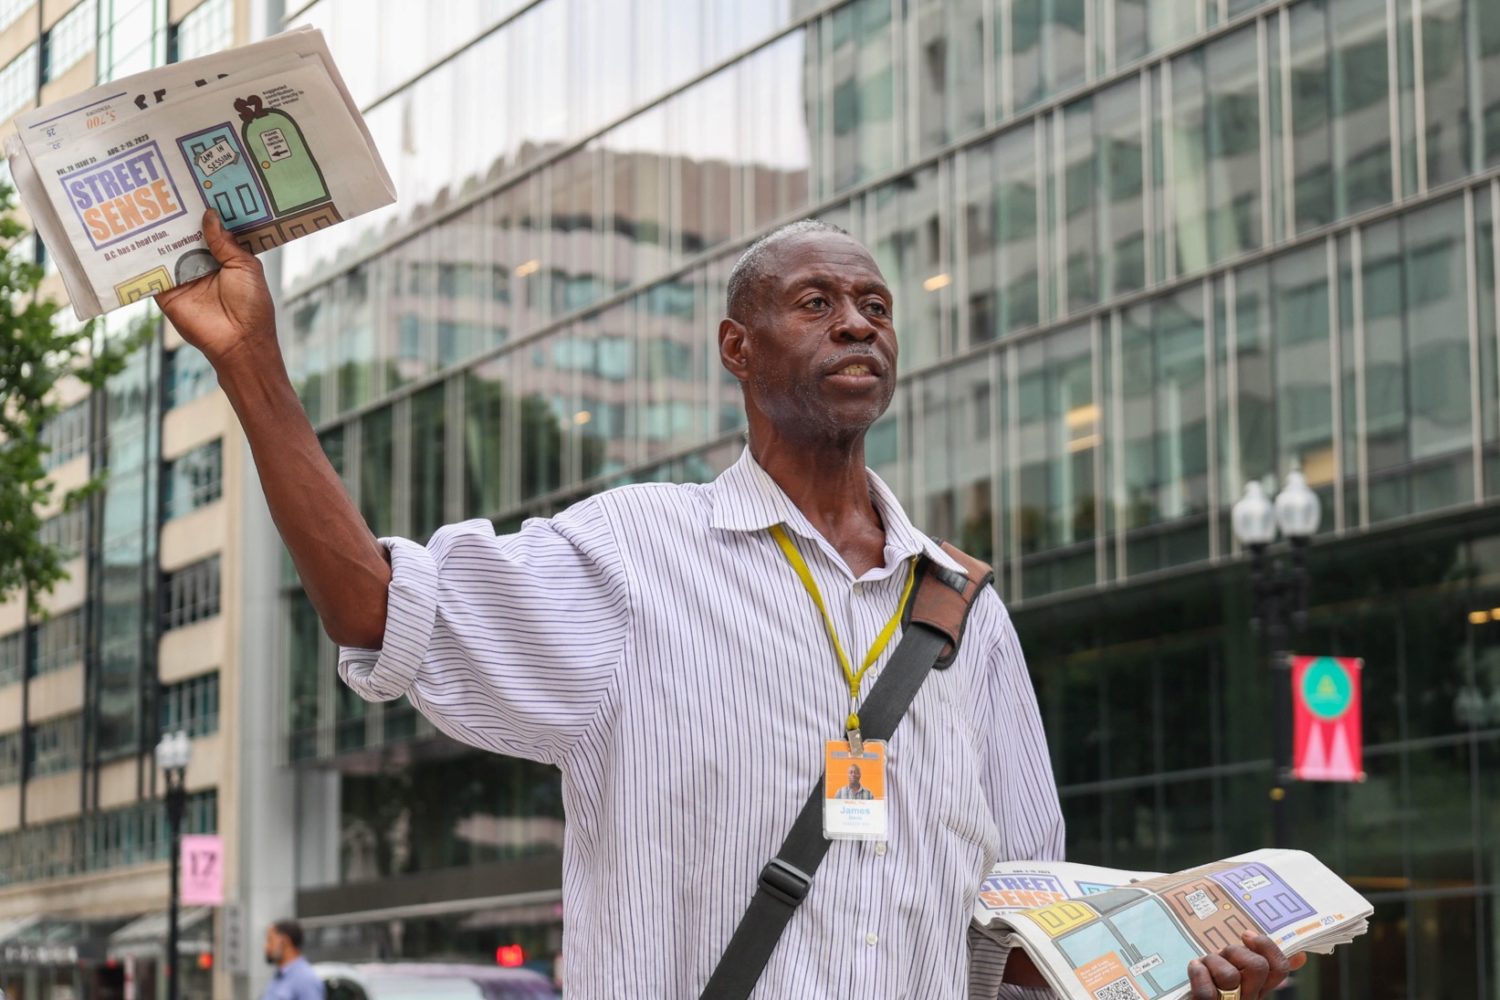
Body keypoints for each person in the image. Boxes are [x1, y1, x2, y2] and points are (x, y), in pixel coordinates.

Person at [158, 212, 1304, 1000]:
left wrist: (1171, 974)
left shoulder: (965, 609)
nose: (858, 322)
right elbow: (375, 606)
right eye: (817, 302)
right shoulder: (632, 556)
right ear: (737, 349)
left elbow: (1016, 941)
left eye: (875, 304)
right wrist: (252, 362)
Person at [260, 920, 323, 1000]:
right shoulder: (279, 975)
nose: (265, 947)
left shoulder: (306, 979)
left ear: (285, 941)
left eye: (270, 940)